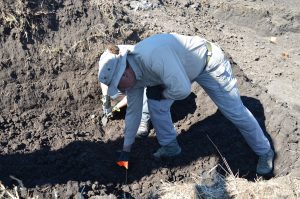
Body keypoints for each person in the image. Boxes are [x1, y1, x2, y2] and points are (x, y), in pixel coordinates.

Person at [98, 33, 274, 175]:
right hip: (178, 70)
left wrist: (164, 92)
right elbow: (133, 113)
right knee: (156, 104)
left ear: (125, 73)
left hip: (208, 63)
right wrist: (126, 148)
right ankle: (170, 146)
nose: (121, 91)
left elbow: (182, 90)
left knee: (235, 112)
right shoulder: (133, 78)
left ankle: (264, 151)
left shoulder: (153, 57)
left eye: (119, 86)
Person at [98, 45, 150, 137]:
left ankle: (143, 120)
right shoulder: (106, 59)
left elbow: (137, 91)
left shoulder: (139, 61)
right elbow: (105, 81)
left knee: (147, 92)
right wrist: (106, 101)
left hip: (148, 83)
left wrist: (116, 107)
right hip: (127, 80)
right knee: (112, 96)